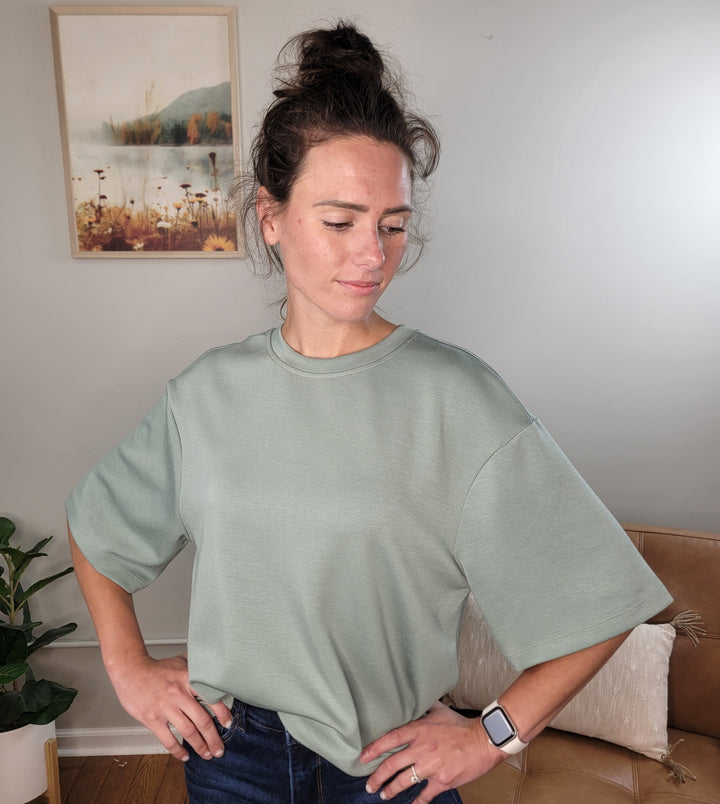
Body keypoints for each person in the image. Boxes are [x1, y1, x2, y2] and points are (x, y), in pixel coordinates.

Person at [66, 21, 672, 804]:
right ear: (272, 217)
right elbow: (98, 527)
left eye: (392, 225)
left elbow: (601, 599)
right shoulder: (206, 394)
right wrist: (128, 666)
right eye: (341, 221)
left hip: (386, 770)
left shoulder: (457, 397)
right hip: (230, 760)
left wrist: (494, 733)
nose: (372, 254)